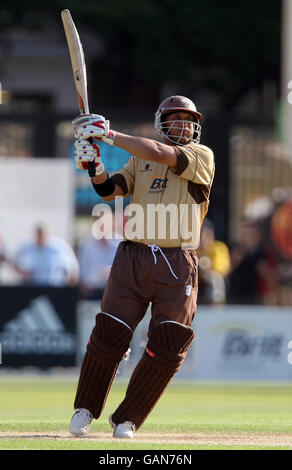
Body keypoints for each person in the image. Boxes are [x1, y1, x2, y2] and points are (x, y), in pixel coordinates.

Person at [69, 95, 215, 439]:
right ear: (162, 122)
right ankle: (85, 409)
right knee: (110, 333)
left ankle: (128, 419)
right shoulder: (140, 159)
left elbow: (161, 154)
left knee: (170, 341)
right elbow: (110, 191)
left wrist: (107, 134)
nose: (183, 125)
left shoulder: (201, 155)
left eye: (188, 120)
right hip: (133, 258)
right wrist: (95, 166)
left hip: (177, 261)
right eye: (176, 119)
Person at [227, 218, 279, 305]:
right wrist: (234, 262)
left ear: (258, 234)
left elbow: (274, 280)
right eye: (245, 234)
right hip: (235, 299)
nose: (248, 238)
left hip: (257, 300)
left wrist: (266, 272)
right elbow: (224, 273)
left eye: (251, 234)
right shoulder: (234, 250)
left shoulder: (266, 253)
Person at [14, 225, 79, 286]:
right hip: (33, 283)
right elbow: (15, 262)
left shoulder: (58, 246)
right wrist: (23, 273)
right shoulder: (27, 246)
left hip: (54, 284)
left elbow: (71, 265)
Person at [196, 218, 230, 304]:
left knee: (215, 278)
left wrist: (206, 271)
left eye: (208, 234)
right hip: (196, 285)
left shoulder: (219, 247)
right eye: (202, 234)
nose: (205, 238)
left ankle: (218, 305)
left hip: (213, 287)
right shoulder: (192, 249)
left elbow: (222, 270)